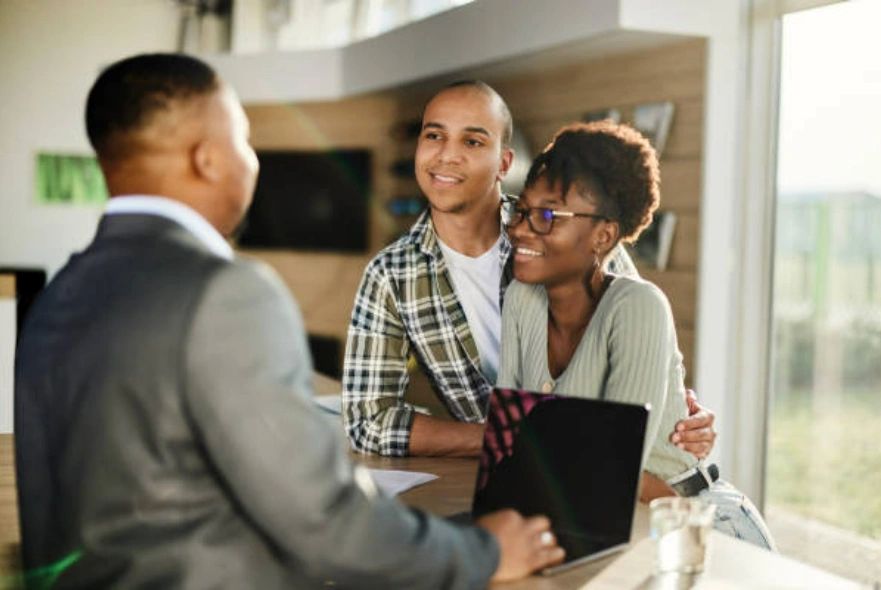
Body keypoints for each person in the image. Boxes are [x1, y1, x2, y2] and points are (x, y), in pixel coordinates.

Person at [13, 53, 565, 589]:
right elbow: (326, 520)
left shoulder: (59, 296)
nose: (254, 162)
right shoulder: (227, 294)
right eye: (244, 141)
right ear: (207, 159)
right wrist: (483, 552)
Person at [343, 80, 717, 458]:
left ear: (504, 163)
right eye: (435, 135)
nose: (446, 156)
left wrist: (680, 412)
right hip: (521, 477)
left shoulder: (571, 236)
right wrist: (505, 438)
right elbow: (368, 420)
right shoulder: (390, 275)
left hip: (616, 474)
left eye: (472, 142)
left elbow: (640, 347)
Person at [496, 120, 775, 549]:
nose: (519, 228)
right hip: (594, 518)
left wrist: (547, 453)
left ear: (603, 236)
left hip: (697, 525)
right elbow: (507, 447)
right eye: (522, 210)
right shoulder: (521, 299)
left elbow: (611, 472)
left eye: (547, 215)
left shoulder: (638, 307)